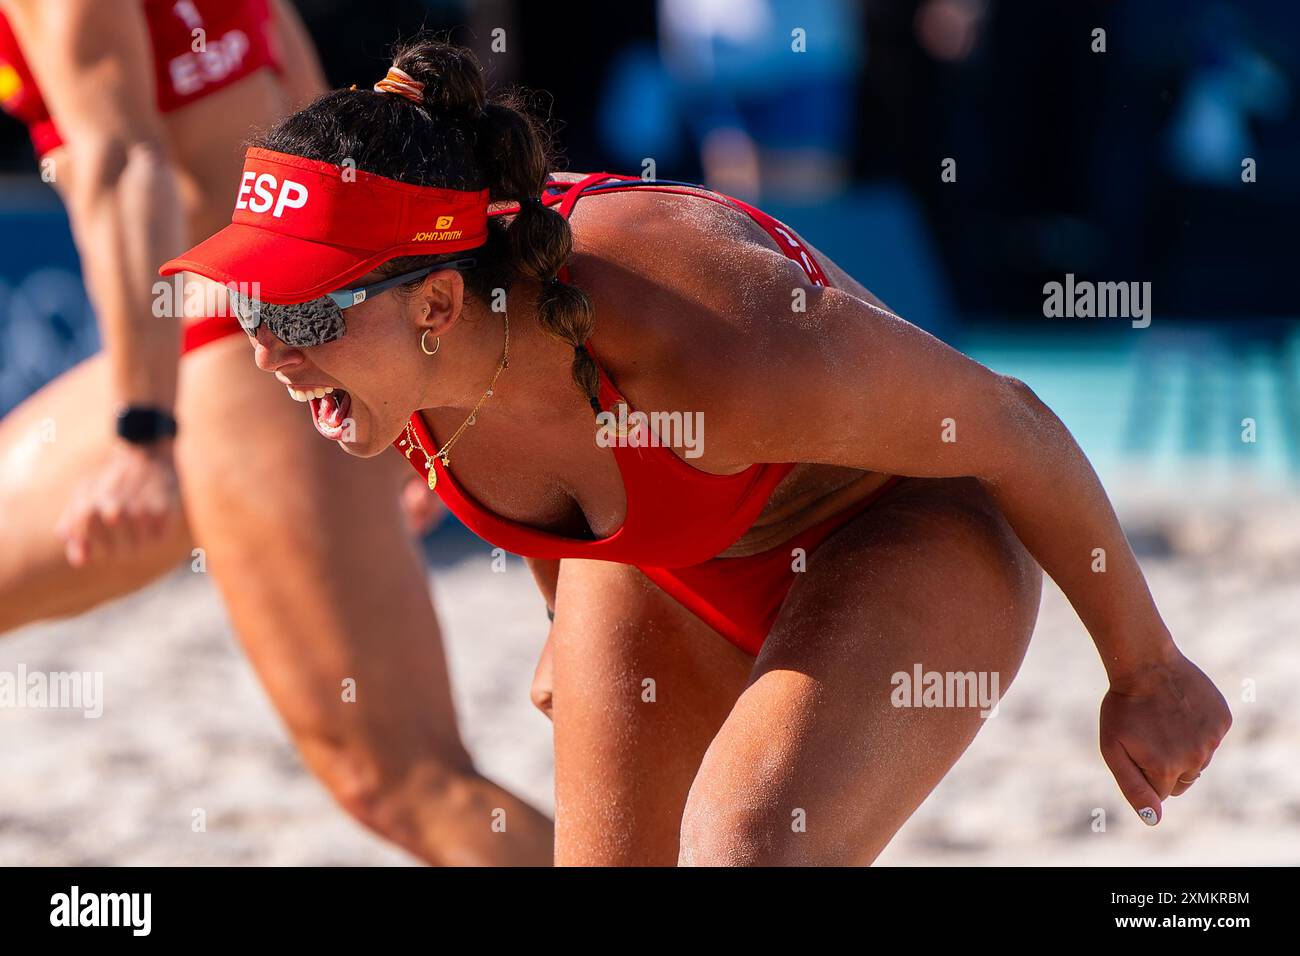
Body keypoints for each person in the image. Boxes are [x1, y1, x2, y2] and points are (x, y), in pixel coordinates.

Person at [164, 37, 1233, 866]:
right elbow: (540, 450)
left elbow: (1009, 421)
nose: (264, 349)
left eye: (300, 315)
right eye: (249, 303)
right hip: (667, 560)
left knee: (749, 849)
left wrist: (1146, 667)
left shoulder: (715, 337)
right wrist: (554, 609)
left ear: (438, 300)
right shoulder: (402, 365)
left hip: (903, 530)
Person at [0, 2, 551, 866]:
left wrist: (145, 436)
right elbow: (316, 122)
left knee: (404, 779)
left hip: (234, 341)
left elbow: (123, 165)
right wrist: (404, 382)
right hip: (283, 317)